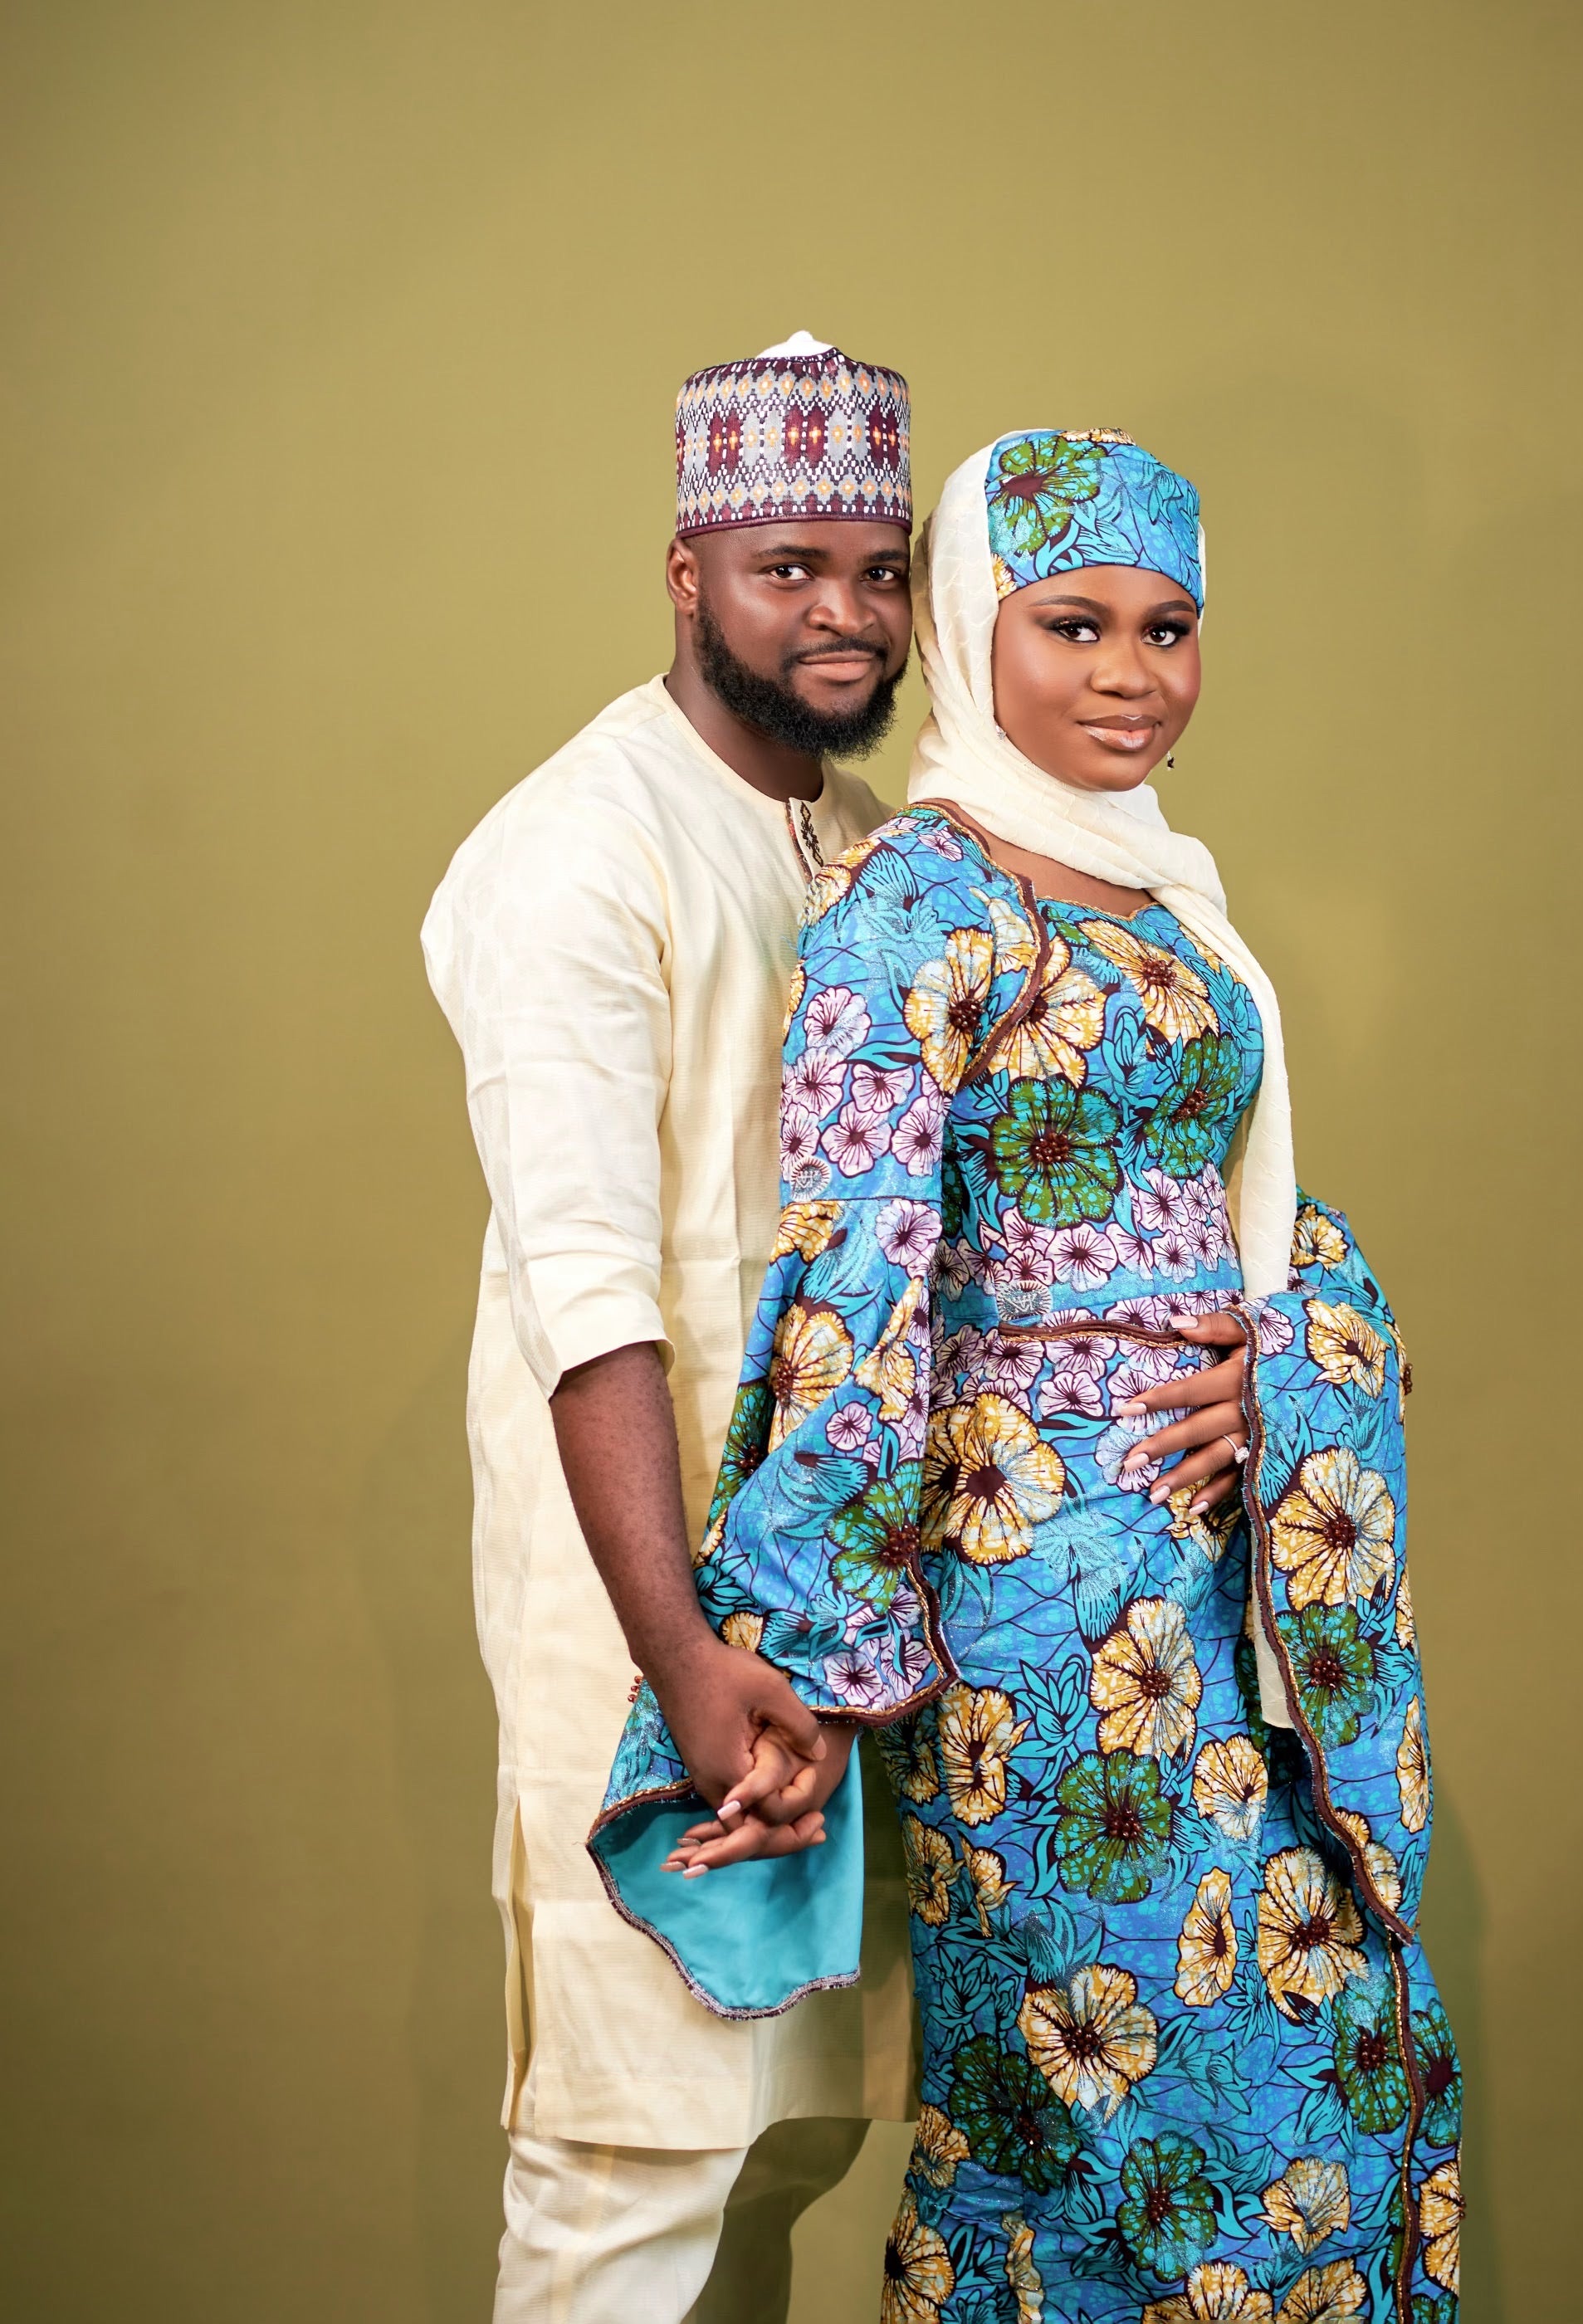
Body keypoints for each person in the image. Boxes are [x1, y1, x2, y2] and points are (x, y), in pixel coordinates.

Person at [592, 430, 1464, 2323]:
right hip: (1043, 1616)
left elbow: (1266, 1225)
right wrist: (811, 1658)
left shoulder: (1167, 897)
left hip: (1240, 1580)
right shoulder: (917, 901)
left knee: (1311, 2069)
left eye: (1169, 627)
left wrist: (1294, 1363)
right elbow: (854, 1281)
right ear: (976, 626)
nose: (1133, 673)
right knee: (1108, 2116)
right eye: (1074, 624)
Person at [422, 333, 922, 2324]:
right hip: (657, 1624)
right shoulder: (583, 847)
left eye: (876, 570)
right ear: (685, 572)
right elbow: (589, 1296)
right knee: (635, 2168)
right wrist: (683, 1654)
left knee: (778, 2151)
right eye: (788, 567)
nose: (842, 613)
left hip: (834, 1619)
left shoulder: (870, 845)